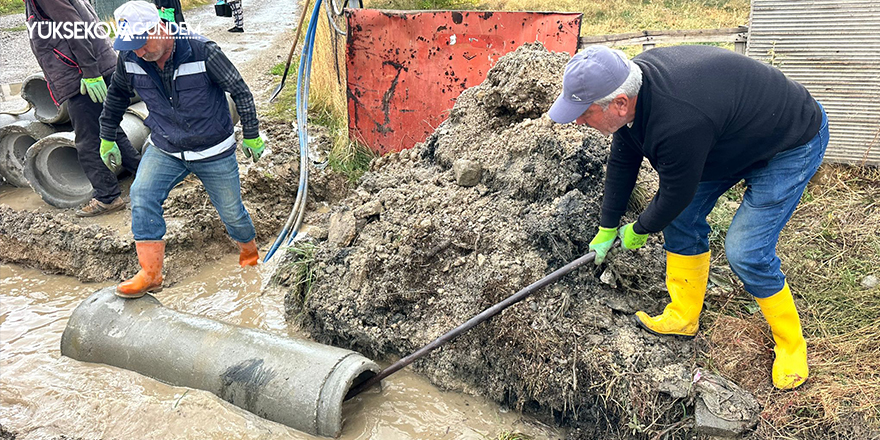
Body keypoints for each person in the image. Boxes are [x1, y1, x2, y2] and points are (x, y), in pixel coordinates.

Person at [548, 45, 828, 390]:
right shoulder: (632, 93)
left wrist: (641, 228)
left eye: (585, 113)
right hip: (726, 138)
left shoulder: (678, 119)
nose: (578, 121)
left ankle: (790, 344)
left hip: (789, 142)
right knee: (682, 220)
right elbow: (623, 163)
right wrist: (608, 226)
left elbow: (676, 194)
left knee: (746, 251)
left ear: (620, 103)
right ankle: (683, 315)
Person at [99, 1, 267, 298]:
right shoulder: (129, 58)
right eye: (132, 45)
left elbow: (239, 90)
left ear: (159, 28)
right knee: (142, 194)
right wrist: (107, 135)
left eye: (142, 43)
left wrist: (251, 134)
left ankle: (250, 255)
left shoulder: (202, 50)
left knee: (231, 213)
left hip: (213, 148)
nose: (138, 52)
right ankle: (150, 273)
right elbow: (116, 96)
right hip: (166, 146)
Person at [24, 0, 141, 216]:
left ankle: (107, 197)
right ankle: (145, 175)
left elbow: (74, 27)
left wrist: (89, 72)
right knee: (109, 127)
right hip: (92, 67)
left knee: (87, 140)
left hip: (82, 75)